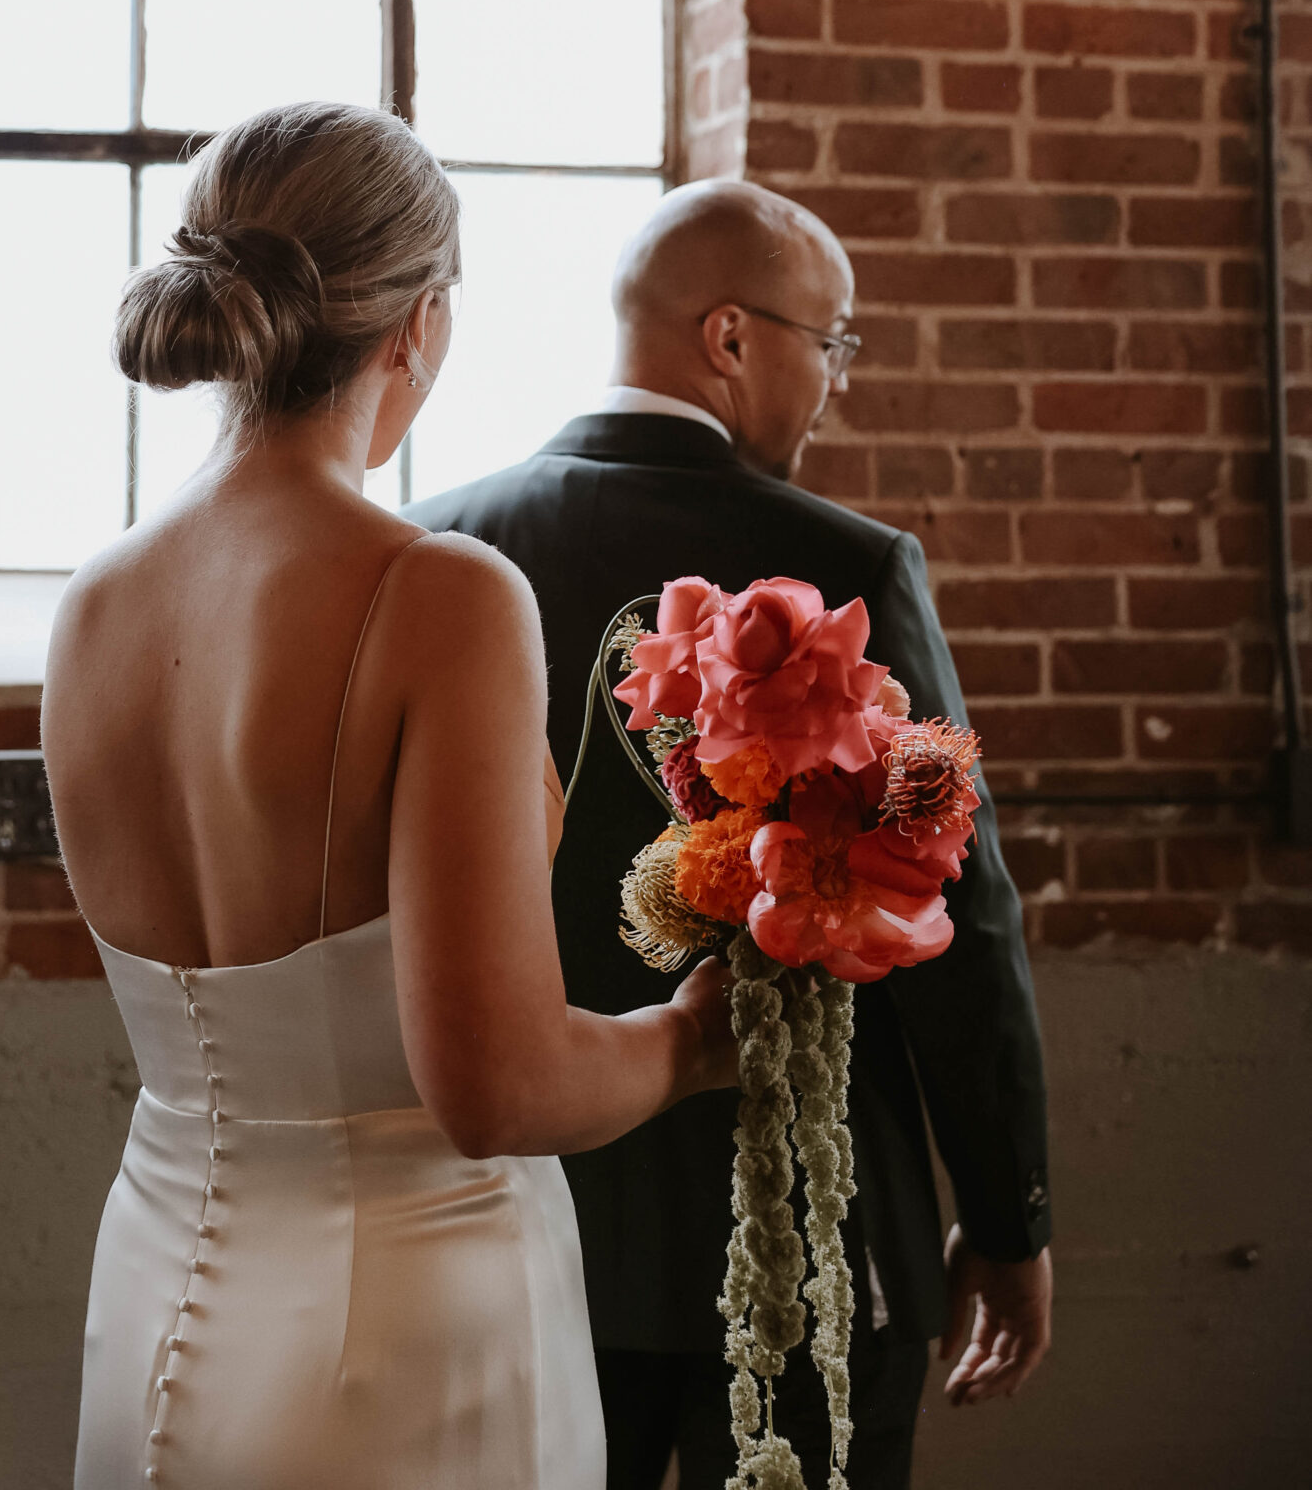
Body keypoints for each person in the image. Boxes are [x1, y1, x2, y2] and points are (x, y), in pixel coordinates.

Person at [42, 103, 739, 1490]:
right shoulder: (441, 594)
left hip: (157, 1284)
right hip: (406, 1330)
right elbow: (498, 1085)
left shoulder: (95, 604)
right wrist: (693, 1040)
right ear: (419, 323)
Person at [408, 177, 1053, 1490]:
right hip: (807, 1232)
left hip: (521, 1223)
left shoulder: (436, 547)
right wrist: (1007, 1215)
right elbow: (955, 916)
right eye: (833, 344)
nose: (835, 385)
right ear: (732, 337)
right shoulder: (851, 562)